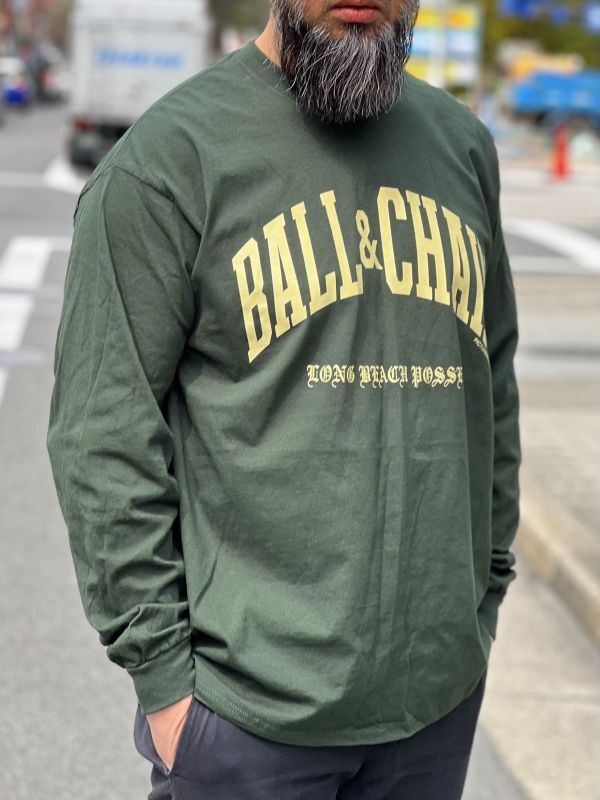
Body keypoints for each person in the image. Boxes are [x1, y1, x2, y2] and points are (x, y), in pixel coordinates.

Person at [46, 0, 521, 797]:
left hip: (433, 709)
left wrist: (482, 601)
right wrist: (165, 682)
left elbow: (491, 392)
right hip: (244, 721)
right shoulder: (170, 158)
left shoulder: (462, 146)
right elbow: (102, 433)